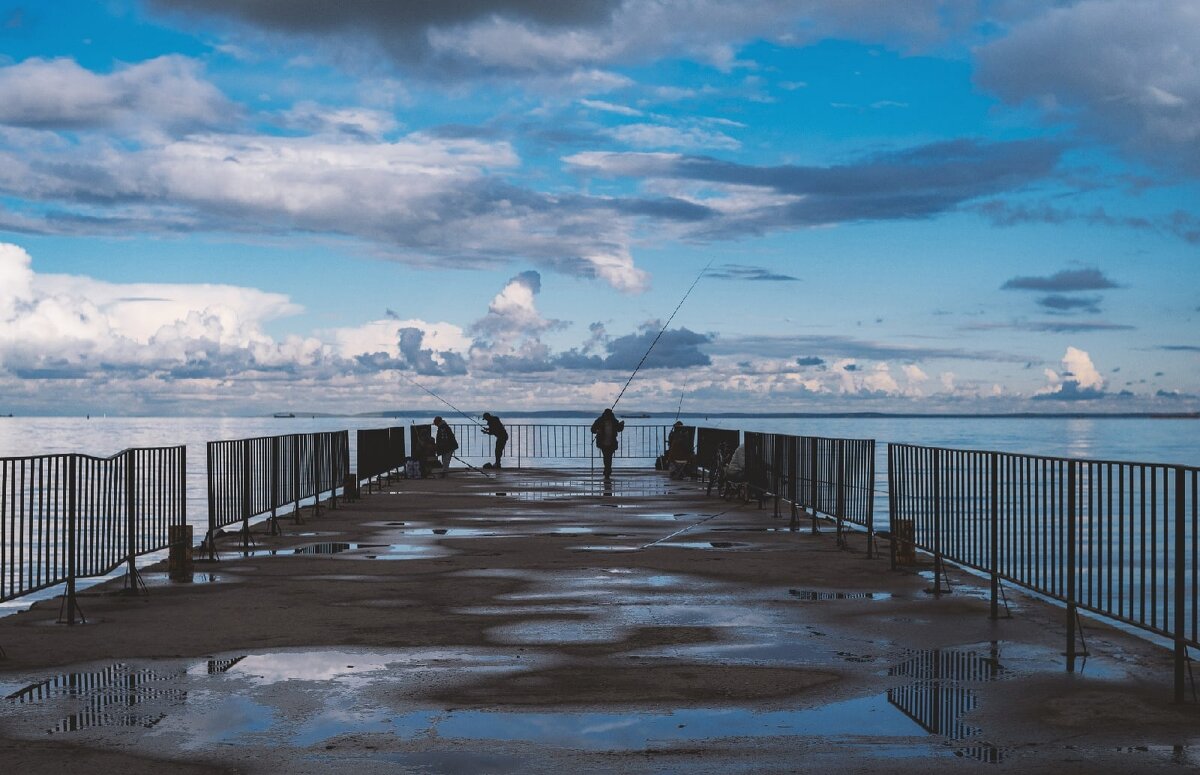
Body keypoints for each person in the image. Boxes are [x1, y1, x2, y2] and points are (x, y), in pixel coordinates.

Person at [590, 408, 624, 478]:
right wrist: (597, 431)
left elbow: (619, 428)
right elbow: (593, 429)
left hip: (611, 442)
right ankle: (607, 470)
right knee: (607, 457)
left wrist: (622, 424)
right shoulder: (602, 420)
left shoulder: (610, 420)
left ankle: (607, 470)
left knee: (607, 457)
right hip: (603, 442)